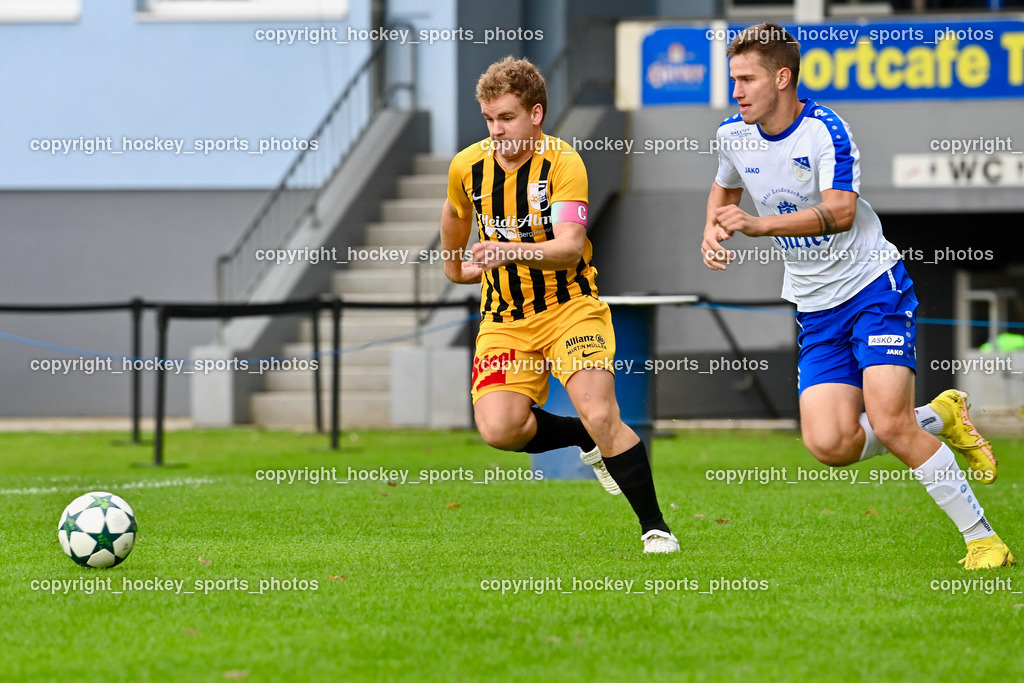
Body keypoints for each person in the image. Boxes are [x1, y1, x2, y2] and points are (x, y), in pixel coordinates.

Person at [701, 23, 1012, 569]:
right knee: (831, 444)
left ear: (782, 77)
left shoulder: (826, 131)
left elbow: (841, 213)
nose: (737, 91)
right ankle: (940, 416)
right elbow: (725, 182)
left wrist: (758, 226)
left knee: (890, 424)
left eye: (747, 79)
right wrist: (712, 226)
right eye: (733, 80)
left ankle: (983, 539)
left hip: (872, 288)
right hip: (814, 305)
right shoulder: (733, 133)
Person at [440, 56, 677, 553]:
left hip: (570, 308)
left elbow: (570, 245)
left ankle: (655, 528)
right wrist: (452, 265)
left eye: (506, 118)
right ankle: (580, 438)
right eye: (488, 119)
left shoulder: (564, 164)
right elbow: (456, 211)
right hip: (505, 320)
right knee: (500, 429)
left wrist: (506, 249)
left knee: (600, 411)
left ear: (536, 114)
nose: (496, 130)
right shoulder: (468, 164)